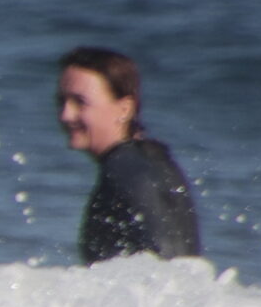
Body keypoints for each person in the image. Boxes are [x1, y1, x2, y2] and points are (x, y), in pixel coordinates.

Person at [56, 46, 200, 264]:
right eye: (62, 101)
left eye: (80, 102)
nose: (66, 115)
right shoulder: (151, 160)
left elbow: (168, 259)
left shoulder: (126, 168)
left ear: (125, 109)